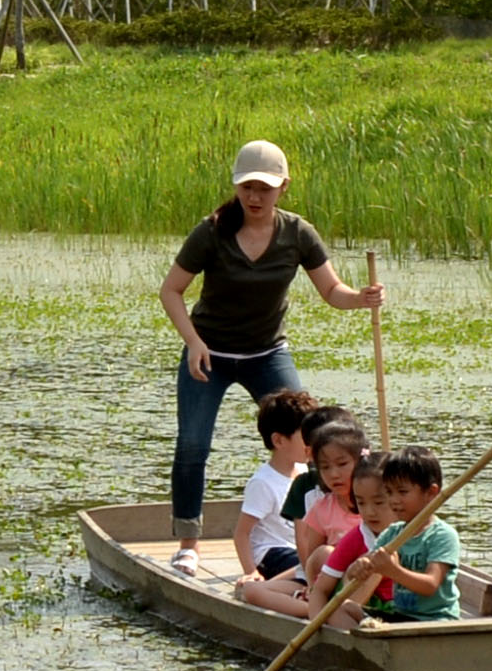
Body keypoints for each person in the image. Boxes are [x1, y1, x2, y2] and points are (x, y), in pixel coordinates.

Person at [157, 142, 388, 570]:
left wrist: (362, 298)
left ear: (283, 186)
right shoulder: (211, 231)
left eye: (264, 187)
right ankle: (189, 543)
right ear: (237, 187)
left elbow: (332, 292)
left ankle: (339, 527)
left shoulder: (297, 233)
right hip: (210, 352)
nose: (255, 197)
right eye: (247, 187)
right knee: (193, 444)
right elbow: (171, 290)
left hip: (267, 353)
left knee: (316, 436)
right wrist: (192, 341)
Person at [231, 420, 368, 613]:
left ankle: (333, 609)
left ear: (360, 461)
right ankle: (317, 611)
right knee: (252, 591)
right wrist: (314, 588)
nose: (334, 474)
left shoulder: (374, 502)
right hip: (325, 582)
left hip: (365, 580)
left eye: (342, 464)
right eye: (325, 467)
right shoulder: (321, 508)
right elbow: (312, 560)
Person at [342, 444, 461, 624]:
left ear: (431, 493)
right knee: (347, 607)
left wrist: (393, 571)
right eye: (389, 492)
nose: (394, 500)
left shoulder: (442, 535)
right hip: (401, 616)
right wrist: (356, 568)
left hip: (436, 620)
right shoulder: (393, 532)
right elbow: (366, 565)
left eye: (402, 492)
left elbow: (430, 585)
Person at [232, 392, 325, 582]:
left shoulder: (302, 469)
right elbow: (242, 534)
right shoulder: (263, 483)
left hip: (296, 547)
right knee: (315, 568)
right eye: (306, 437)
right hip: (271, 554)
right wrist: (251, 572)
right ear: (279, 441)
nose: (314, 443)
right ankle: (262, 588)